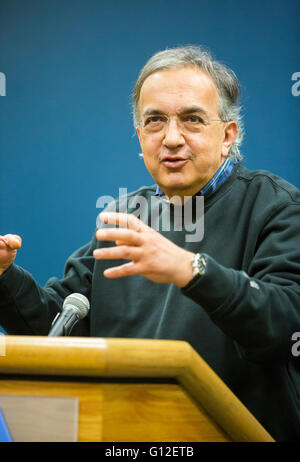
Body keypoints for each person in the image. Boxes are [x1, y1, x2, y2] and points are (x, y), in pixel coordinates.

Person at [0, 45, 300, 442]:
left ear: (228, 135)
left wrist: (192, 270)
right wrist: (5, 275)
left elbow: (284, 326)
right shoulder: (127, 215)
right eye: (155, 121)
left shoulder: (277, 206)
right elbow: (58, 331)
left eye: (192, 119)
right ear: (141, 137)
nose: (171, 138)